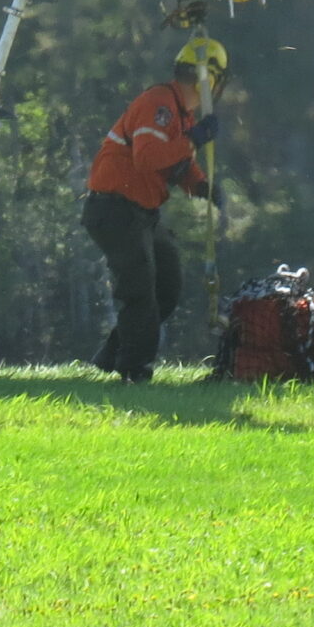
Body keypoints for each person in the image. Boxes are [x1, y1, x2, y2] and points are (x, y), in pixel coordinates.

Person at [83, 37, 227, 383]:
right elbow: (147, 157)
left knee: (167, 287)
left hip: (141, 213)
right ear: (209, 80)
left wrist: (201, 186)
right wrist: (193, 139)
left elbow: (174, 163)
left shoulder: (179, 114)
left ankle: (113, 354)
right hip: (115, 210)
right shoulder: (159, 104)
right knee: (140, 290)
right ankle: (135, 370)